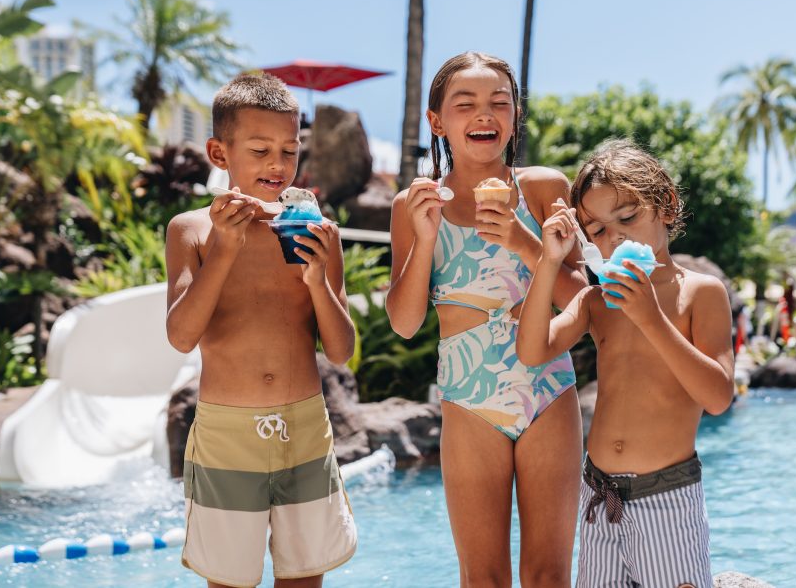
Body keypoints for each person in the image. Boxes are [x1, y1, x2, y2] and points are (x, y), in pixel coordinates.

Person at [386, 51, 588, 587]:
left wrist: (525, 242)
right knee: (483, 578)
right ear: (438, 121)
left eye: (500, 102)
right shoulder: (415, 203)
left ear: (515, 116)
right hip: (468, 396)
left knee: (548, 576)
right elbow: (405, 322)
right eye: (466, 104)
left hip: (547, 387)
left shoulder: (544, 189)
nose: (485, 114)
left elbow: (584, 302)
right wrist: (425, 239)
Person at [165, 72, 357, 588]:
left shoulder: (318, 233)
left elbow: (340, 351)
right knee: (229, 580)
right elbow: (182, 335)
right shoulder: (192, 230)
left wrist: (317, 279)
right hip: (227, 435)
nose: (278, 164)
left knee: (302, 579)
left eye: (289, 151)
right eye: (260, 150)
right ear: (219, 152)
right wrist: (224, 250)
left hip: (304, 431)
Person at [516, 138, 735, 588]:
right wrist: (548, 260)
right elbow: (532, 349)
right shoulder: (596, 300)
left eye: (628, 217)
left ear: (667, 207)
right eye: (596, 230)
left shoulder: (701, 292)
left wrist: (651, 319)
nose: (613, 237)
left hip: (667, 499)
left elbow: (718, 397)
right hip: (600, 495)